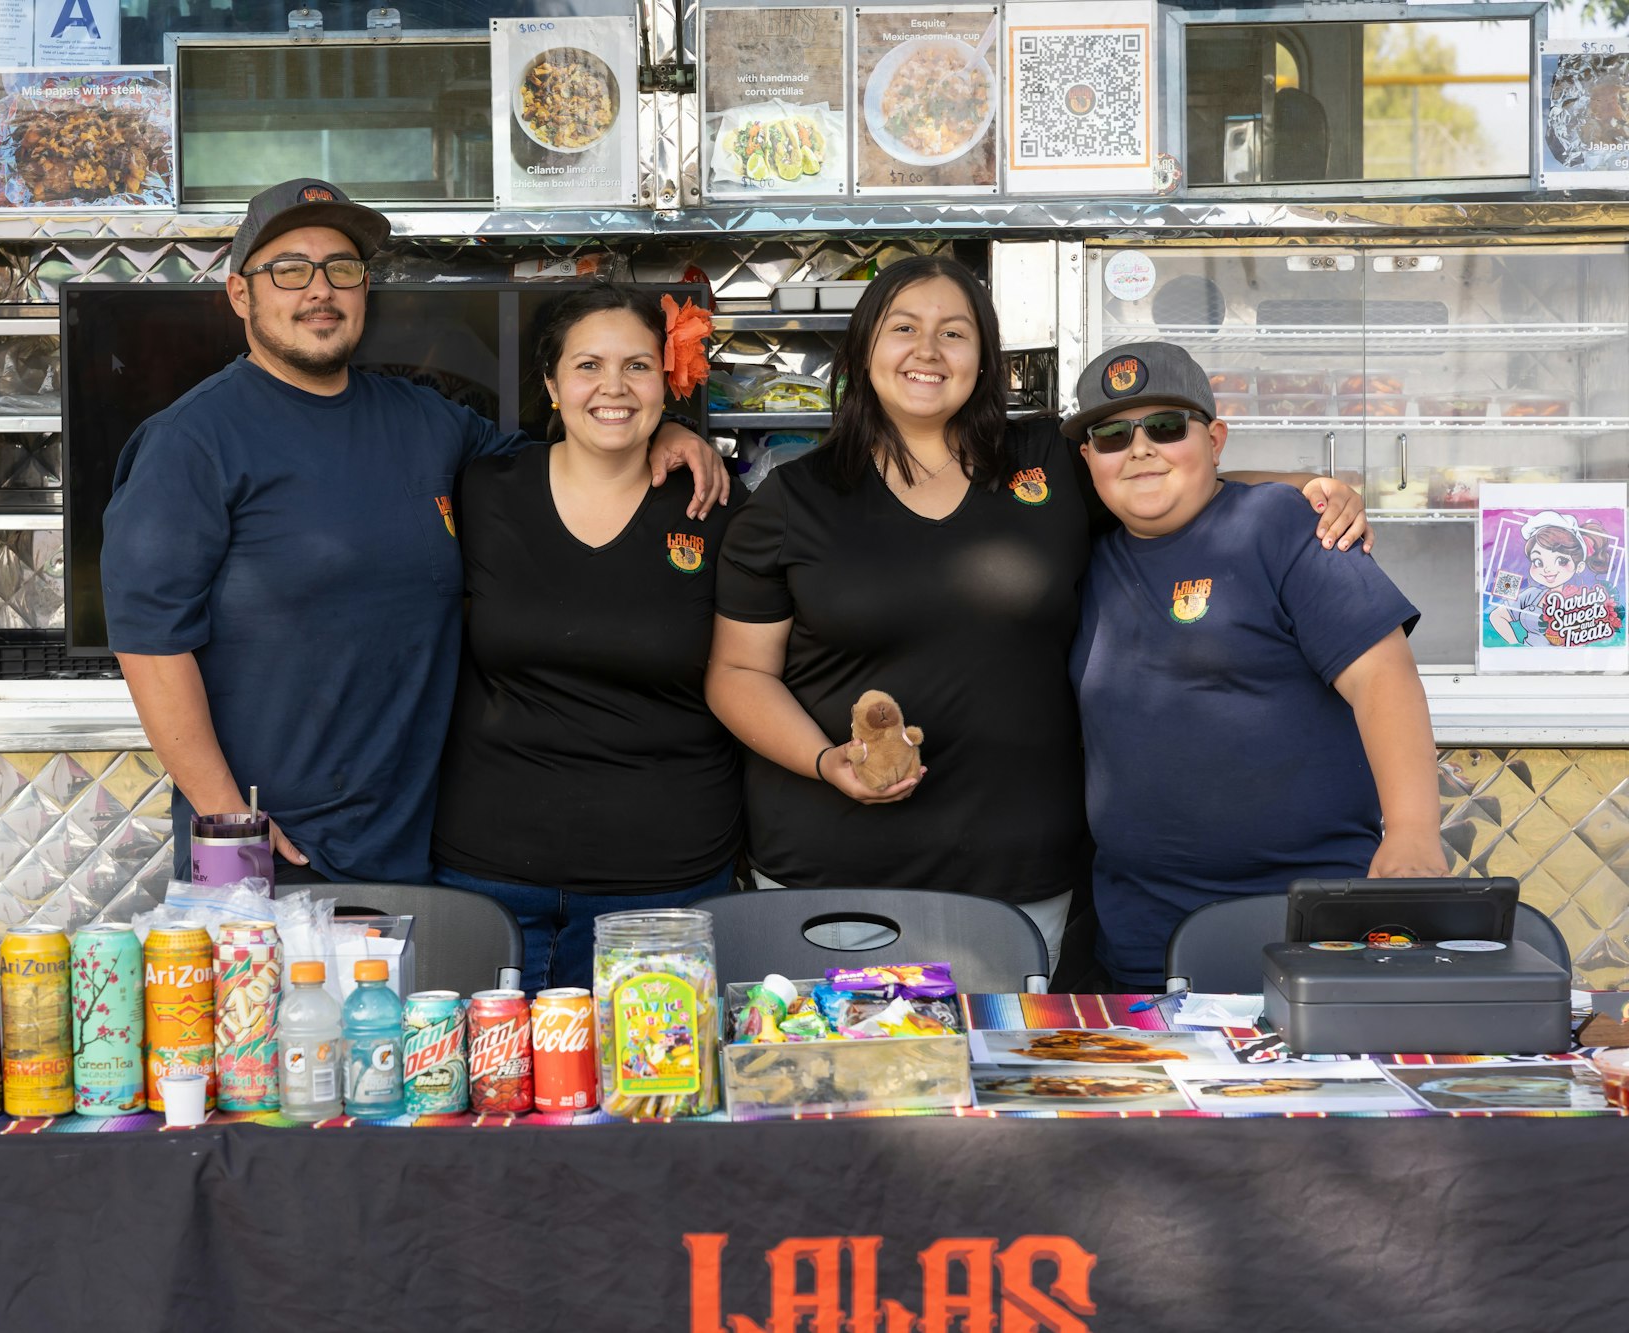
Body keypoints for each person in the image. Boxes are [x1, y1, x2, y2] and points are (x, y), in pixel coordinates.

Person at [705, 256, 1369, 972]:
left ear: (984, 358)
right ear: (865, 345)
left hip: (1017, 881)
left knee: (998, 1081)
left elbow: (1164, 478)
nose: (928, 351)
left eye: (953, 333)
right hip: (831, 880)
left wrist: (1310, 487)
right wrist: (826, 759)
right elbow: (739, 672)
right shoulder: (792, 500)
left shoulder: (1044, 462)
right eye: (904, 328)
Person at [101, 178, 728, 886]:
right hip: (270, 841)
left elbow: (566, 461)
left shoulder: (426, 421)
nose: (320, 290)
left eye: (342, 268)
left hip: (418, 839)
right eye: (289, 270)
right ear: (241, 294)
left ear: (365, 289)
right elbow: (151, 646)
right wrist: (225, 817)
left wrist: (660, 427)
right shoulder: (192, 441)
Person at [1064, 341, 1447, 990]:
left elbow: (1383, 675)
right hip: (1141, 942)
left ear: (1215, 439)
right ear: (1087, 459)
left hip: (1310, 929)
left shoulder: (1283, 525)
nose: (1139, 448)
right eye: (1111, 435)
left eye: (1164, 427)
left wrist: (1412, 831)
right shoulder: (1081, 554)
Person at [430, 284, 741, 989]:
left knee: (656, 1098)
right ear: (549, 383)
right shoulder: (484, 491)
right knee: (487, 1098)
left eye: (637, 366)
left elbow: (749, 673)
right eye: (587, 366)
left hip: (667, 883)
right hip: (488, 877)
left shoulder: (715, 507)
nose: (614, 387)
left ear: (669, 379)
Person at [1488, 510, 1621, 647]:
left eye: (1561, 561)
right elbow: (1497, 616)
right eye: (1538, 562)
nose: (1547, 569)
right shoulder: (1531, 595)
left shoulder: (1582, 601)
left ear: (1579, 566)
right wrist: (1516, 644)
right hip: (1526, 662)